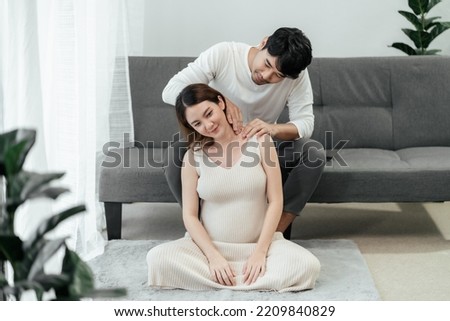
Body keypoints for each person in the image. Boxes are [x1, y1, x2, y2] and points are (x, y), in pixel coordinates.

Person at [147, 84, 320, 291]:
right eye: (197, 123)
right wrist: (213, 257)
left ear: (220, 103)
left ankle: (231, 279)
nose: (208, 125)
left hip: (258, 246)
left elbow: (276, 200)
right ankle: (243, 279)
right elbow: (190, 216)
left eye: (209, 113)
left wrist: (260, 252)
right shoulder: (193, 157)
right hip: (210, 250)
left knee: (308, 266)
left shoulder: (260, 141)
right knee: (157, 259)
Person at [162, 27, 326, 237]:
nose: (266, 76)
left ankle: (274, 233)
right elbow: (170, 90)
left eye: (278, 76)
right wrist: (220, 98)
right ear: (263, 43)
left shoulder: (297, 76)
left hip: (261, 146)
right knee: (177, 153)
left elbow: (305, 124)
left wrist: (272, 128)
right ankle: (204, 230)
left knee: (313, 153)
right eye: (266, 64)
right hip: (216, 144)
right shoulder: (224, 54)